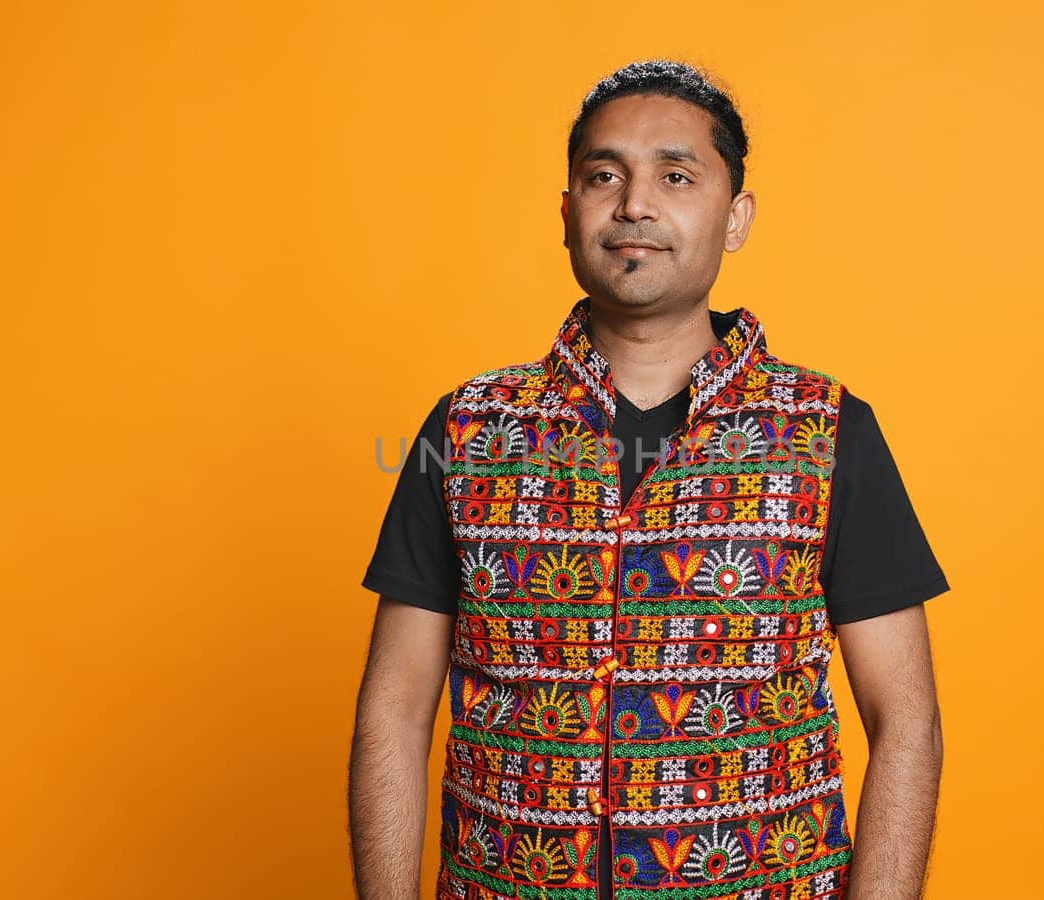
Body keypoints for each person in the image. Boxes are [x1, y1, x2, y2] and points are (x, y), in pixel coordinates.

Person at [350, 59, 950, 900]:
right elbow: (395, 710)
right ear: (567, 215)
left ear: (735, 217)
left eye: (675, 174)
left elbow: (907, 725)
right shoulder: (466, 430)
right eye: (604, 176)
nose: (634, 204)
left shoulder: (828, 431)